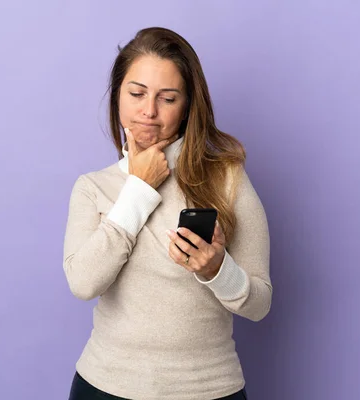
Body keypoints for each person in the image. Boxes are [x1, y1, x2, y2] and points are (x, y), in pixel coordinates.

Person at [63, 27, 272, 400]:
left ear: (188, 105)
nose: (149, 111)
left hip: (209, 389)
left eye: (168, 98)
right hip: (106, 387)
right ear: (118, 97)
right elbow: (83, 283)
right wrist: (139, 190)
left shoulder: (227, 179)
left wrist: (216, 271)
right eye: (137, 93)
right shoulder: (93, 187)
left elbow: (260, 304)